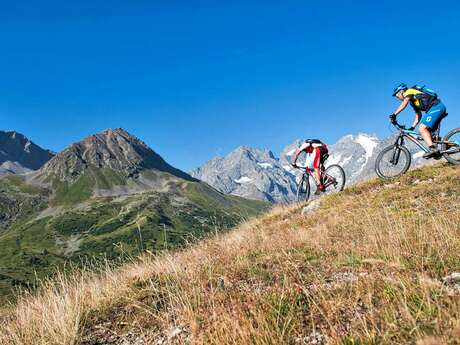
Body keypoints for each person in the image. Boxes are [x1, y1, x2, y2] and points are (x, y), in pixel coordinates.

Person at [390, 83, 448, 158]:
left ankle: (432, 149)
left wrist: (394, 114)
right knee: (430, 136)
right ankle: (447, 146)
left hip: (436, 107)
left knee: (422, 128)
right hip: (435, 108)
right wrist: (412, 127)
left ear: (401, 92)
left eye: (397, 95)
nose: (397, 97)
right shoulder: (413, 102)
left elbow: (404, 103)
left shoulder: (409, 91)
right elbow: (418, 115)